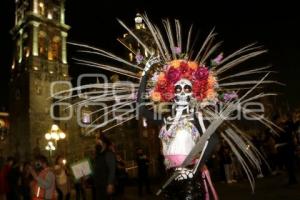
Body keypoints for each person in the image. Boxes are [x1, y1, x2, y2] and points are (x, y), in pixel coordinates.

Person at [93, 134, 116, 200]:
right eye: (96, 143)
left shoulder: (108, 154)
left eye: (98, 142)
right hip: (98, 184)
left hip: (105, 184)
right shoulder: (97, 156)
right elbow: (96, 169)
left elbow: (112, 170)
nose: (97, 144)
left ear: (104, 144)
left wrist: (110, 184)